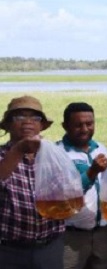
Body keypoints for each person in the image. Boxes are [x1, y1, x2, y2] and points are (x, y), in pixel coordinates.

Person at [0, 96, 66, 269]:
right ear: (7, 125)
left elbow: (69, 192)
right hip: (8, 250)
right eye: (19, 117)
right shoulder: (2, 156)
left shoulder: (54, 155)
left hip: (50, 247)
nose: (27, 122)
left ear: (42, 125)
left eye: (34, 118)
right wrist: (19, 149)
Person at [57, 102, 107, 269]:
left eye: (89, 124)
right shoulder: (58, 153)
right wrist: (92, 172)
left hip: (102, 232)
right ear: (65, 126)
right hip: (70, 236)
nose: (85, 129)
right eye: (78, 125)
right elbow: (65, 195)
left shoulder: (100, 148)